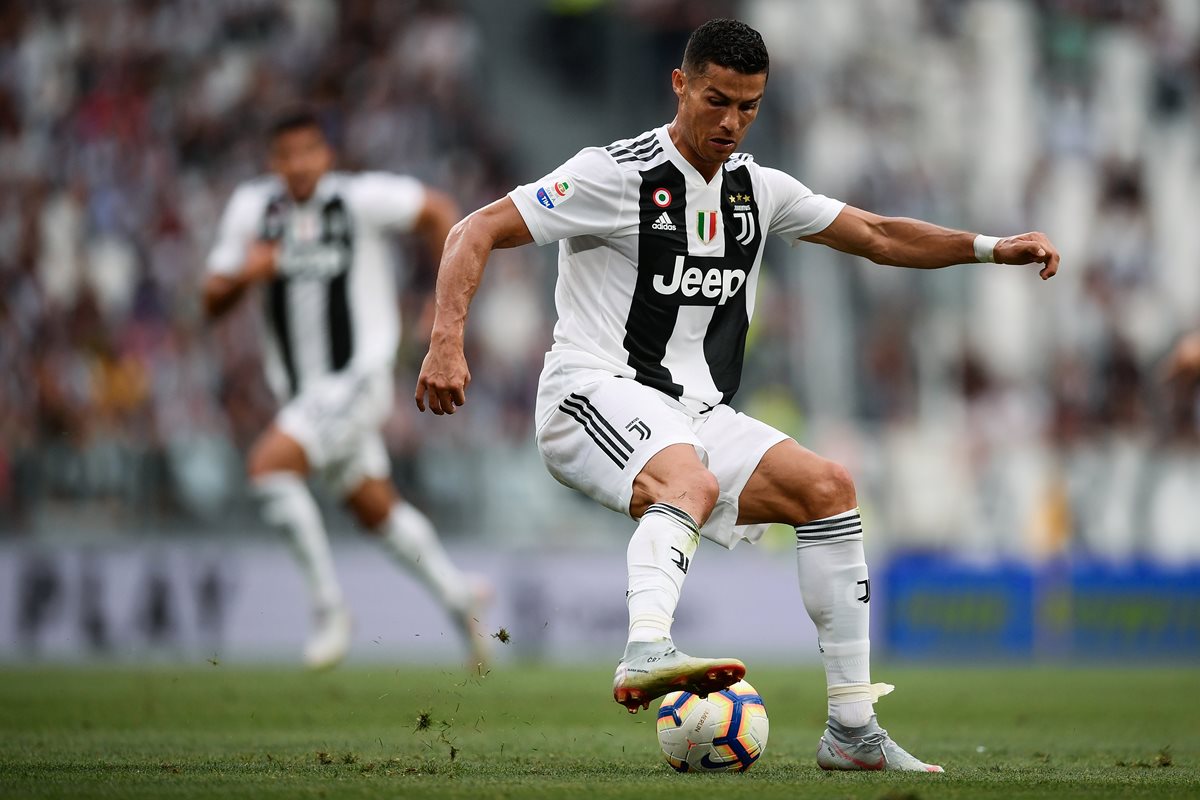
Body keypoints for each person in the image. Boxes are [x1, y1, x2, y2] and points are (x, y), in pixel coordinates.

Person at [415, 19, 1059, 772]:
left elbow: (880, 234)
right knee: (688, 476)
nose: (731, 122)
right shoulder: (613, 175)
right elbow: (472, 229)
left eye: (748, 107)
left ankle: (851, 731)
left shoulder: (761, 189)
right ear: (680, 84)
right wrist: (446, 340)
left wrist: (988, 247)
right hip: (592, 390)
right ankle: (646, 649)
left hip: (695, 413)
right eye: (717, 100)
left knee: (829, 489)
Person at [204, 109, 489, 671]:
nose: (300, 165)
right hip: (303, 393)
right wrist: (244, 274)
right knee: (375, 509)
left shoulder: (358, 199)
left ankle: (330, 609)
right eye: (287, 155)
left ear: (325, 155)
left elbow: (440, 211)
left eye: (309, 151)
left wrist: (440, 310)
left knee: (269, 468)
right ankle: (461, 598)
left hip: (358, 377)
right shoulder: (252, 209)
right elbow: (210, 299)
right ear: (274, 161)